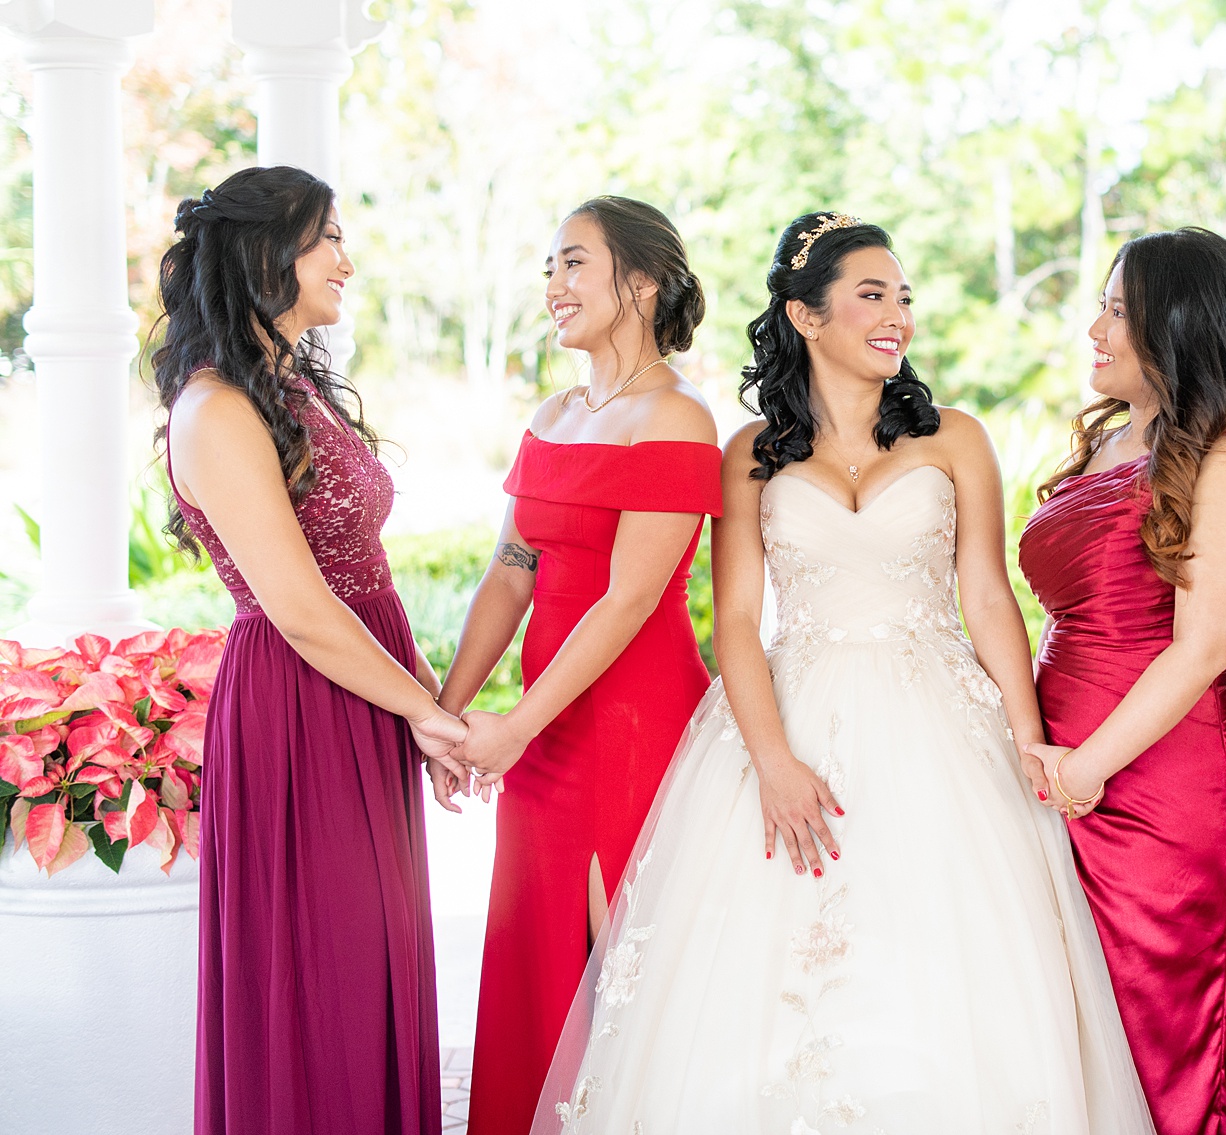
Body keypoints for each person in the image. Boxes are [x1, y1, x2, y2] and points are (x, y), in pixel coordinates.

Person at [528, 213, 1152, 1134]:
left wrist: (1028, 737)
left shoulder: (955, 439)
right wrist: (774, 760)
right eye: (873, 295)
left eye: (904, 296)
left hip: (945, 726)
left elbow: (987, 597)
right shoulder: (748, 453)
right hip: (794, 711)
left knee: (945, 978)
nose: (898, 314)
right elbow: (736, 621)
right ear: (805, 316)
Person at [152, 165, 464, 1135]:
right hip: (298, 707)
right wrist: (423, 708)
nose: (347, 259)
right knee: (322, 974)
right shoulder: (215, 409)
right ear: (262, 253)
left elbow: (361, 574)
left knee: (375, 959)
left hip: (361, 690)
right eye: (326, 237)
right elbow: (297, 605)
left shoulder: (290, 386)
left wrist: (421, 705)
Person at [431, 197, 722, 1135]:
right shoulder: (553, 413)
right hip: (542, 727)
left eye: (572, 264)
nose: (552, 286)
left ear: (639, 281)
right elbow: (511, 575)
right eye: (549, 266)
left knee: (619, 957)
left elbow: (628, 600)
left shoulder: (677, 417)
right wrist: (448, 713)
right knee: (532, 949)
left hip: (632, 716)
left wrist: (513, 728)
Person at [1019, 228, 1226, 1135]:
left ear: (1175, 326)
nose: (1095, 327)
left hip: (1163, 784)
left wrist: (1090, 766)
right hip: (1063, 770)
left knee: (1159, 1034)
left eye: (1119, 310)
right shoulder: (1110, 442)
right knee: (1072, 1034)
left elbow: (1203, 647)